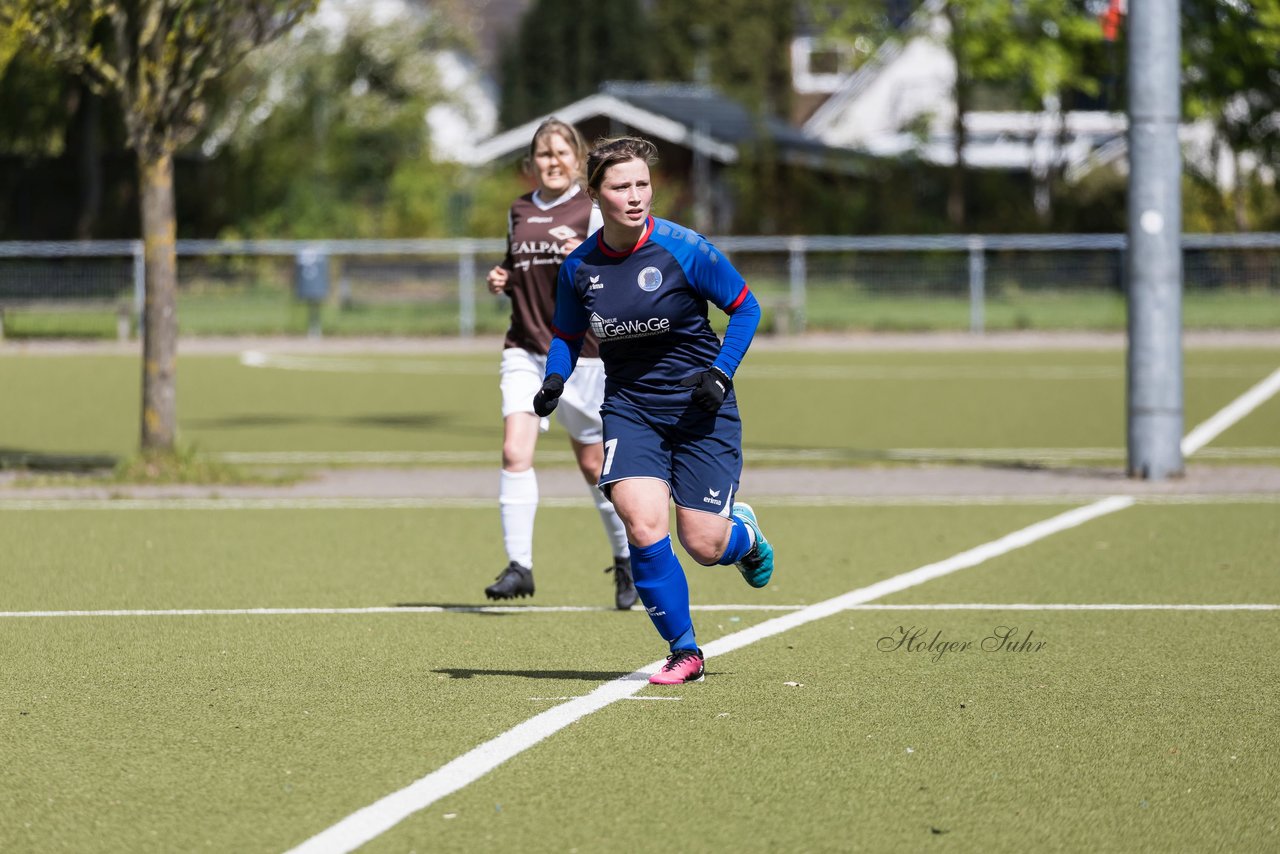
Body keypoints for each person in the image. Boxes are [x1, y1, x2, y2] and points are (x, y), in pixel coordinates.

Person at [532, 136, 774, 684]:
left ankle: (746, 538)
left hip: (700, 409)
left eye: (643, 184)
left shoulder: (685, 248)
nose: (637, 196)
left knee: (704, 544)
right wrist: (554, 377)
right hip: (629, 409)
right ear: (595, 194)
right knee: (642, 525)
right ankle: (684, 651)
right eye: (622, 187)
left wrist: (721, 371)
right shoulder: (579, 267)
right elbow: (568, 334)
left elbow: (746, 307)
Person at [484, 118, 636, 610]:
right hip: (525, 348)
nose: (553, 162)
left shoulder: (591, 212)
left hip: (580, 356)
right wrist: (502, 276)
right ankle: (519, 566)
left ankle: (626, 561)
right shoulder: (519, 209)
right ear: (532, 164)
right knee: (514, 451)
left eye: (562, 154)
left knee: (596, 468)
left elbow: (620, 271)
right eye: (544, 155)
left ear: (578, 162)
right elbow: (517, 262)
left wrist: (588, 260)